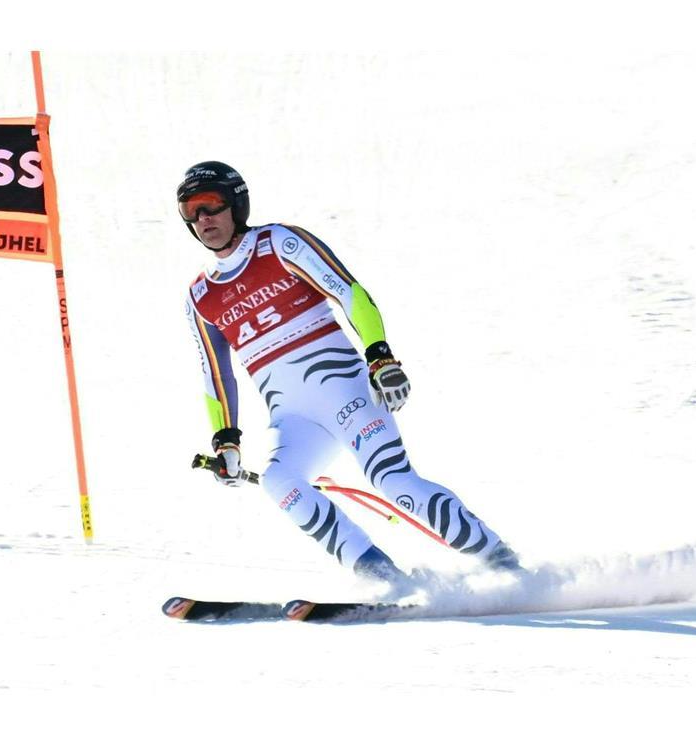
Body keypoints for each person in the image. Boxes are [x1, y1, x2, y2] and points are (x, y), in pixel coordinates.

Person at [180, 161, 521, 587]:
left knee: (394, 484)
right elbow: (215, 375)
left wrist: (380, 357)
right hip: (295, 420)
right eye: (190, 211)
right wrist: (226, 439)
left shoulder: (277, 243)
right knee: (279, 481)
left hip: (345, 392)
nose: (203, 219)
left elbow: (348, 291)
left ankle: (506, 564)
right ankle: (387, 580)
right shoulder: (200, 296)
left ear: (236, 203)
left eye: (210, 205)